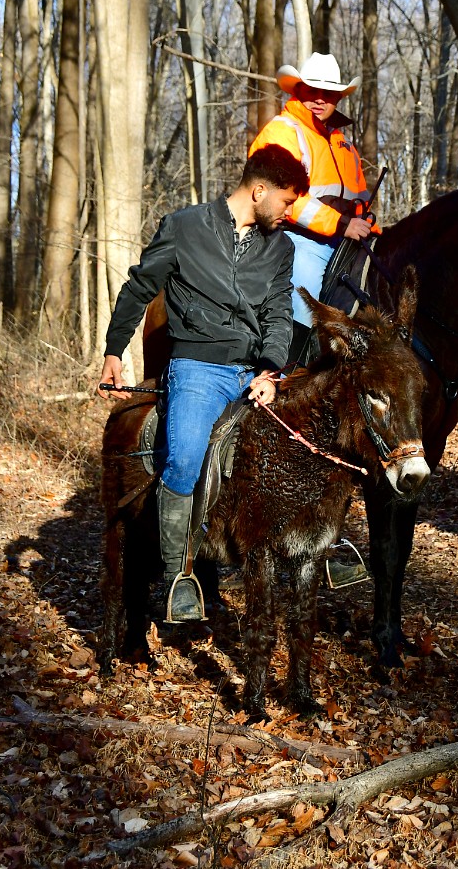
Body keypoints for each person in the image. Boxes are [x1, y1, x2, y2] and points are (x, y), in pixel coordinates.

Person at [97, 144, 309, 621]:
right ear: (259, 191)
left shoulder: (280, 247)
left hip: (256, 372)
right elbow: (138, 288)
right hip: (198, 368)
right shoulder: (184, 227)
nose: (290, 212)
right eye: (287, 201)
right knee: (186, 458)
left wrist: (270, 369)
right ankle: (179, 578)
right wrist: (114, 350)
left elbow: (278, 314)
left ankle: (319, 550)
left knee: (306, 443)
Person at [248, 52, 380, 362]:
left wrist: (372, 228)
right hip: (294, 237)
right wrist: (339, 224)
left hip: (345, 240)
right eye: (312, 91)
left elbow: (359, 198)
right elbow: (280, 195)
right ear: (298, 91)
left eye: (328, 93)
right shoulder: (283, 131)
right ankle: (282, 373)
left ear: (337, 98)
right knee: (304, 299)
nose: (320, 100)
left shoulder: (345, 146)